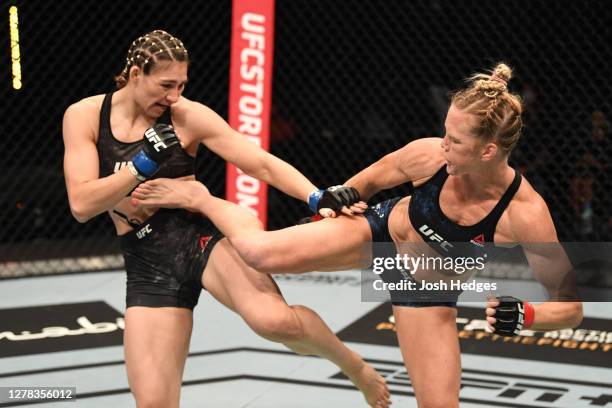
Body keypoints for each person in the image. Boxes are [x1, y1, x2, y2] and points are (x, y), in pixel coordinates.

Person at [133, 63, 583, 408]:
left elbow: (571, 307)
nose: (443, 145)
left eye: (456, 142)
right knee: (256, 250)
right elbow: (361, 185)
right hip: (380, 231)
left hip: (424, 287)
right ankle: (200, 197)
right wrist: (335, 204)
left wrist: (528, 316)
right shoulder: (428, 156)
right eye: (444, 132)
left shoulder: (525, 213)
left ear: (489, 151)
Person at [62, 30, 390, 408]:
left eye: (181, 85)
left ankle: (356, 369)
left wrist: (315, 196)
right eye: (166, 85)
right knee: (153, 403)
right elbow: (82, 204)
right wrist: (141, 166)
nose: (173, 96)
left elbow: (259, 162)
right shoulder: (85, 116)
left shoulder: (188, 116)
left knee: (274, 322)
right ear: (136, 74)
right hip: (145, 257)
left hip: (199, 236)